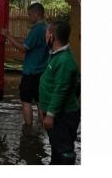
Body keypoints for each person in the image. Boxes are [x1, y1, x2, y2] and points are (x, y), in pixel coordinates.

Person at [39, 20, 80, 165]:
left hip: (62, 116)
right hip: (57, 113)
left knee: (64, 151)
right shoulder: (57, 55)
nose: (45, 37)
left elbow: (60, 91)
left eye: (46, 33)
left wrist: (50, 115)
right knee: (57, 148)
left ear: (52, 37)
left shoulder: (64, 60)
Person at [1, 3, 49, 127]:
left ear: (37, 14)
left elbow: (23, 48)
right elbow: (28, 41)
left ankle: (27, 129)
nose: (29, 17)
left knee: (26, 101)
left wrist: (8, 36)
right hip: (41, 71)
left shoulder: (37, 29)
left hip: (31, 72)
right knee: (40, 101)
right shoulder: (45, 27)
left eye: (30, 14)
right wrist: (13, 37)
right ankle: (41, 126)